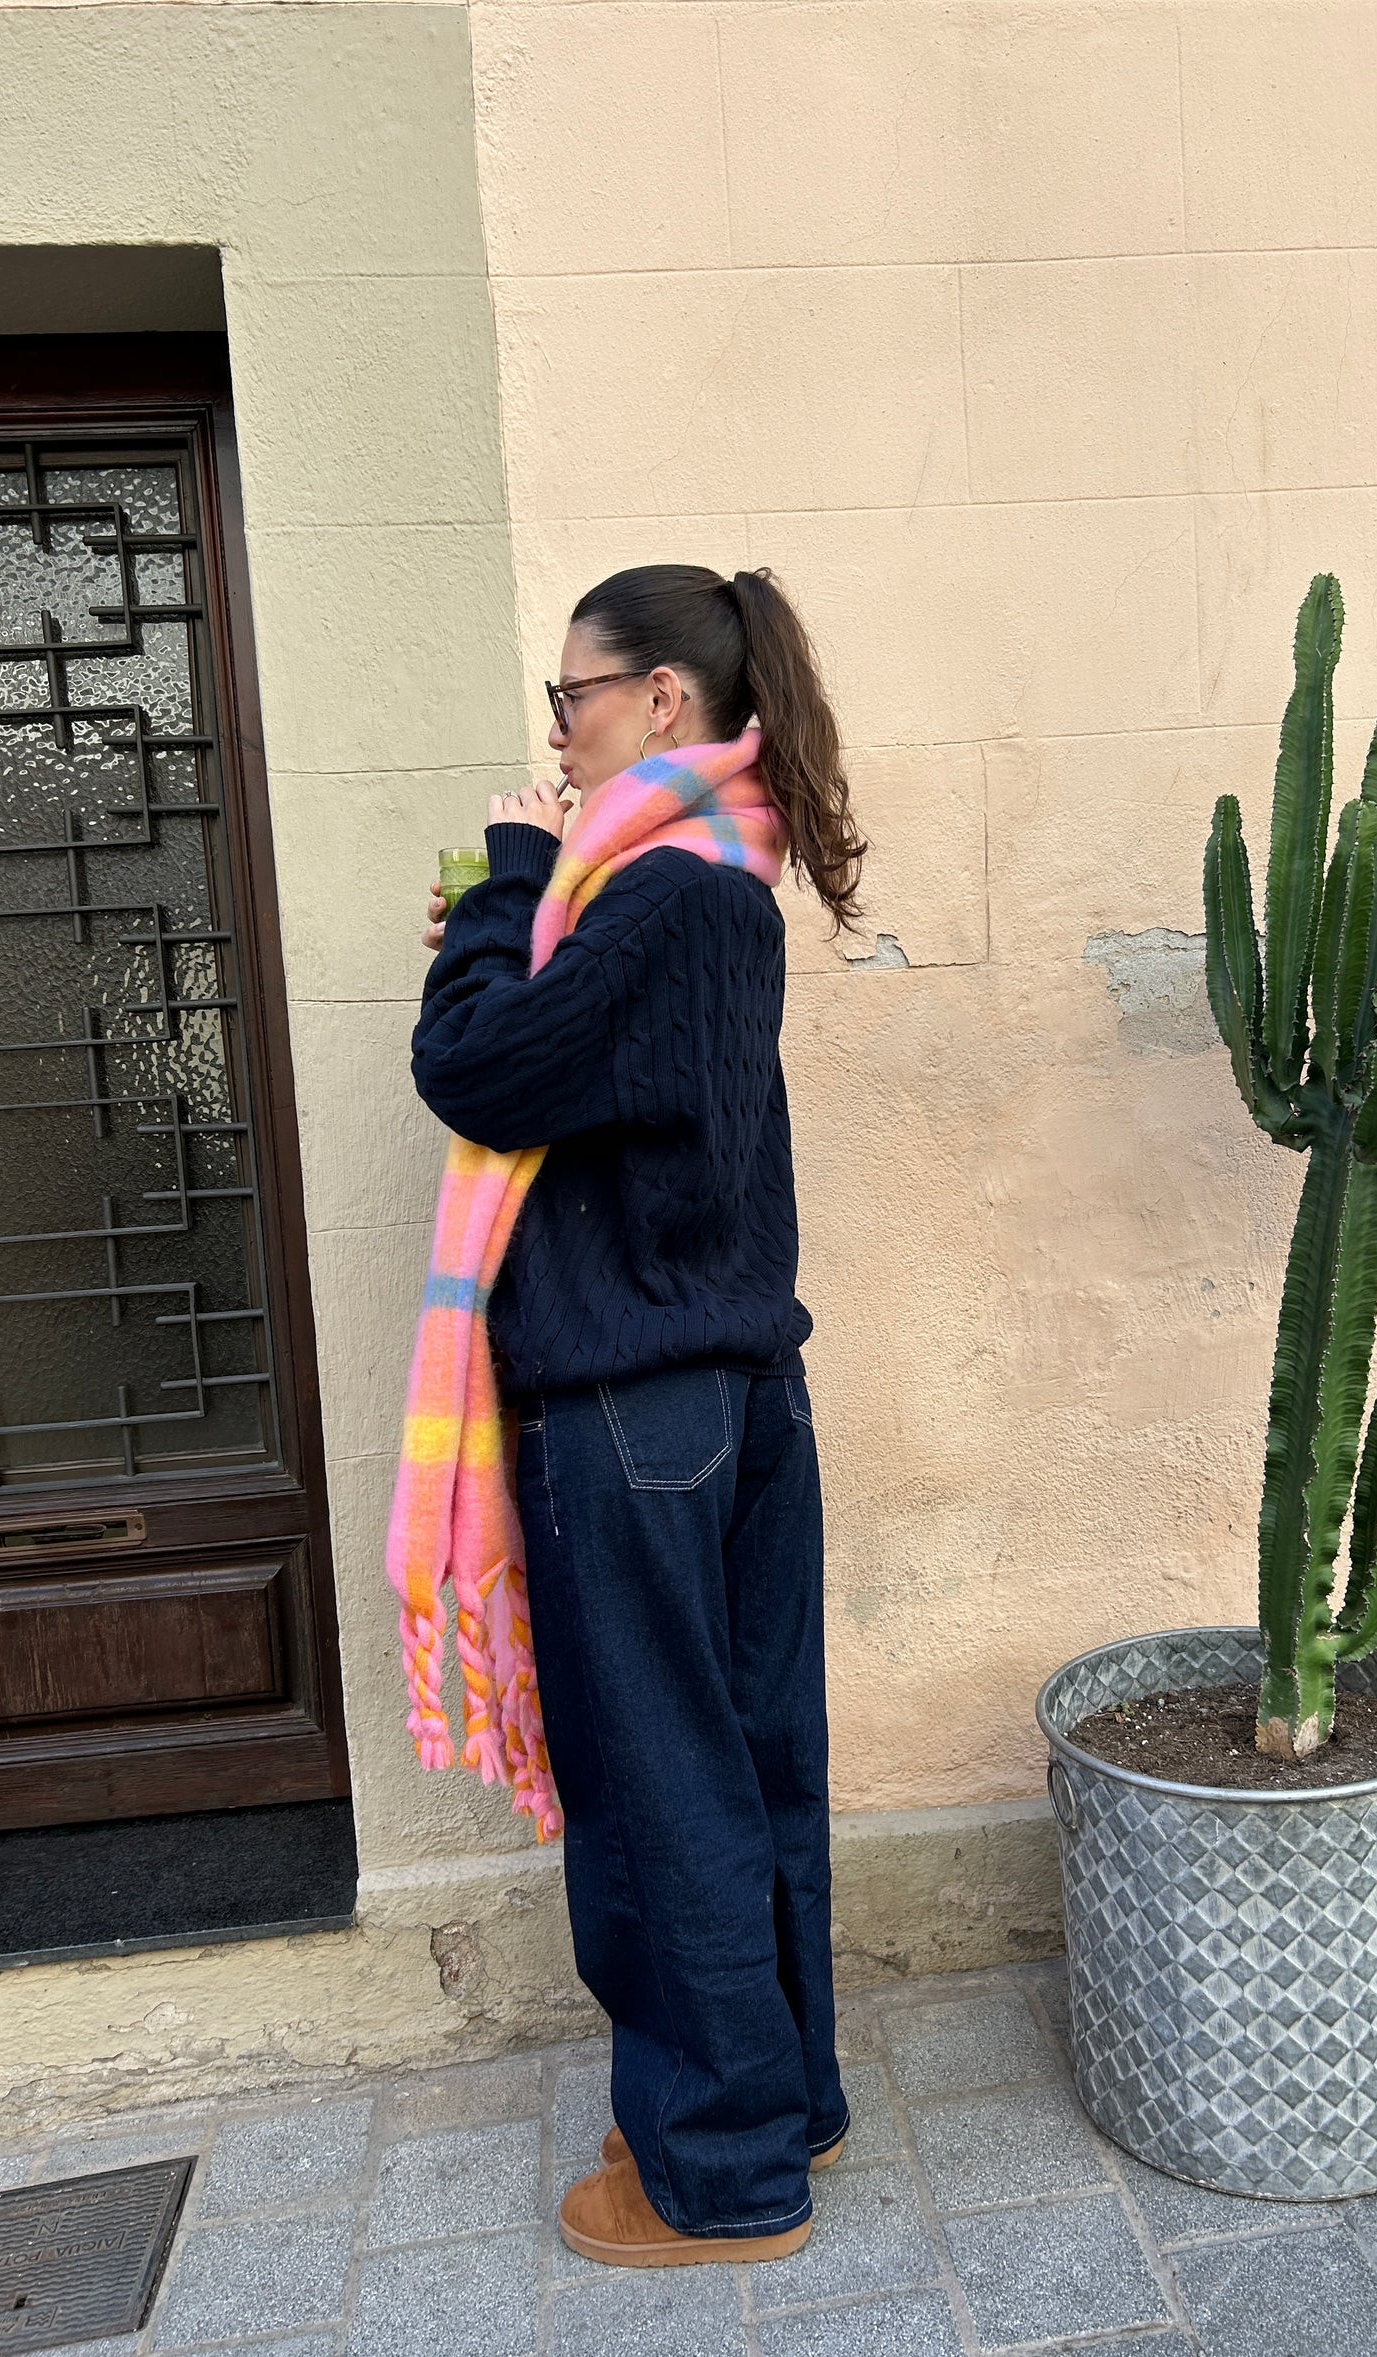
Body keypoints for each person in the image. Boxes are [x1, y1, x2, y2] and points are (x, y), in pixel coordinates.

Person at [412, 564, 866, 2267]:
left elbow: (476, 1068)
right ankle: (782, 2097)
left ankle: (721, 2171)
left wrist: (503, 884)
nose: (560, 734)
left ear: (663, 697)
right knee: (753, 1765)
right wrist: (531, 917)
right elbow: (560, 1061)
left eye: (573, 697)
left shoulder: (656, 895)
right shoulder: (716, 884)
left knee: (661, 1787)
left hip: (628, 1410)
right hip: (737, 1401)